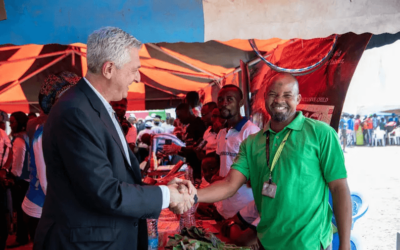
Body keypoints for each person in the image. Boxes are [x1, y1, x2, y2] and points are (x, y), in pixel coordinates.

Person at [33, 27, 195, 250]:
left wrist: (160, 186)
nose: (138, 77)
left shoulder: (93, 106)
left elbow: (113, 175)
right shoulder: (75, 111)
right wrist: (166, 196)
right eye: (134, 70)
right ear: (109, 68)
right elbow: (104, 192)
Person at [197, 73, 352, 250]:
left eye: (287, 95)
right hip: (267, 243)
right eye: (273, 94)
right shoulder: (252, 143)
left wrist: (345, 245)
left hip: (310, 244)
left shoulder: (321, 134)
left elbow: (339, 187)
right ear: (265, 98)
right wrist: (193, 196)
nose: (279, 100)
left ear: (298, 98)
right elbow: (229, 185)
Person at [22, 72, 80, 247]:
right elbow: (49, 185)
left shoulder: (70, 130)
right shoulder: (44, 133)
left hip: (60, 210)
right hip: (42, 211)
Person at [213, 84, 260, 220]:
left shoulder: (251, 132)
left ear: (240, 103)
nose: (224, 104)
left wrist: (225, 180)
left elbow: (256, 175)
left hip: (243, 210)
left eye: (229, 99)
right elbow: (222, 166)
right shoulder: (222, 133)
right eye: (220, 100)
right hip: (224, 207)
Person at [8, 112, 30, 248]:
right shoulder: (28, 136)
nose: (10, 125)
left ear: (20, 122)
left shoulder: (19, 140)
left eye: (13, 122)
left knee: (20, 211)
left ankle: (21, 238)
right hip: (29, 179)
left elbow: (17, 163)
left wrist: (12, 176)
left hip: (21, 180)